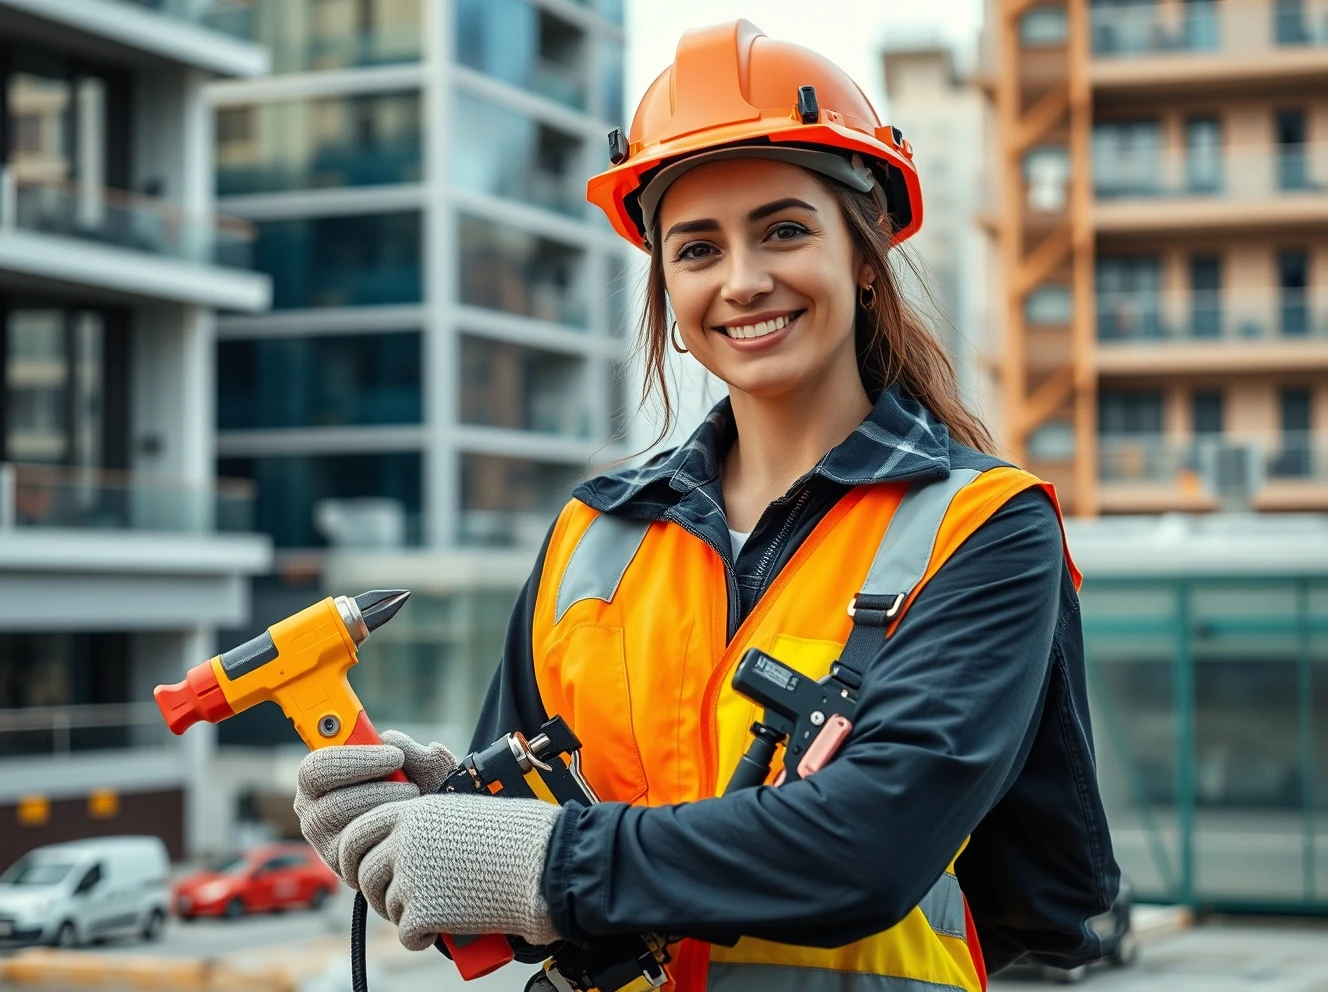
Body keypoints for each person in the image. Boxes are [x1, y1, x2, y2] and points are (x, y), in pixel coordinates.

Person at [294, 20, 1119, 992]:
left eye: (782, 229)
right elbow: (525, 891)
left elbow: (871, 846)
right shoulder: (589, 535)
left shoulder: (982, 527)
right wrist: (452, 810)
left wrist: (544, 858)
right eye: (696, 248)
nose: (741, 280)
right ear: (668, 294)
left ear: (863, 258)